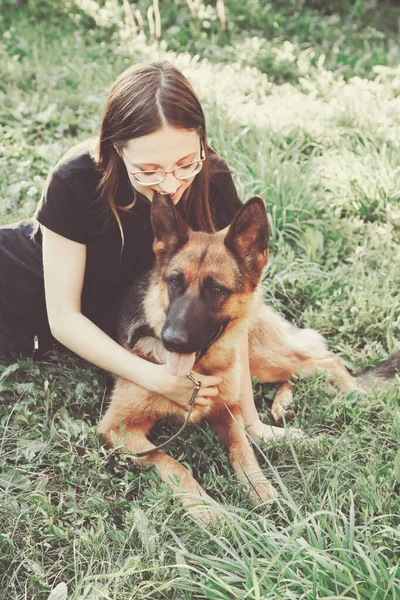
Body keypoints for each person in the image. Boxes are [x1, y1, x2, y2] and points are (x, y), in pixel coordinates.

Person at [0, 60, 286, 442]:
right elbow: (64, 317)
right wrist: (157, 378)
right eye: (149, 170)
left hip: (126, 313)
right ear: (116, 149)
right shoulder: (75, 180)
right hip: (26, 294)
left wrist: (250, 422)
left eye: (186, 162)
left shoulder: (212, 180)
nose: (170, 184)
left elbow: (235, 317)